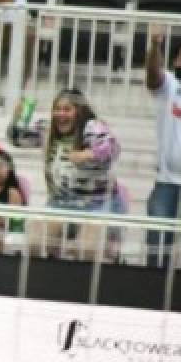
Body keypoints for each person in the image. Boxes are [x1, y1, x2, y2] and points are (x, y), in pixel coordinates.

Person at [39, 88, 125, 259]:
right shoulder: (49, 130)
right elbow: (17, 138)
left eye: (67, 109)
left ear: (79, 112)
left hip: (96, 205)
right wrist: (18, 118)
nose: (60, 114)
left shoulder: (92, 126)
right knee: (36, 243)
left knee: (86, 249)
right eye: (57, 109)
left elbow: (112, 147)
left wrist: (87, 154)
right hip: (60, 204)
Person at [144, 29, 181, 266]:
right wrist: (155, 46)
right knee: (157, 252)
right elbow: (153, 76)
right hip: (167, 183)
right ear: (174, 62)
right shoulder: (169, 85)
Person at [0, 144, 26, 253]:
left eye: (0, 166)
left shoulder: (13, 193)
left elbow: (16, 222)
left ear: (9, 169)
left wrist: (0, 222)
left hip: (6, 235)